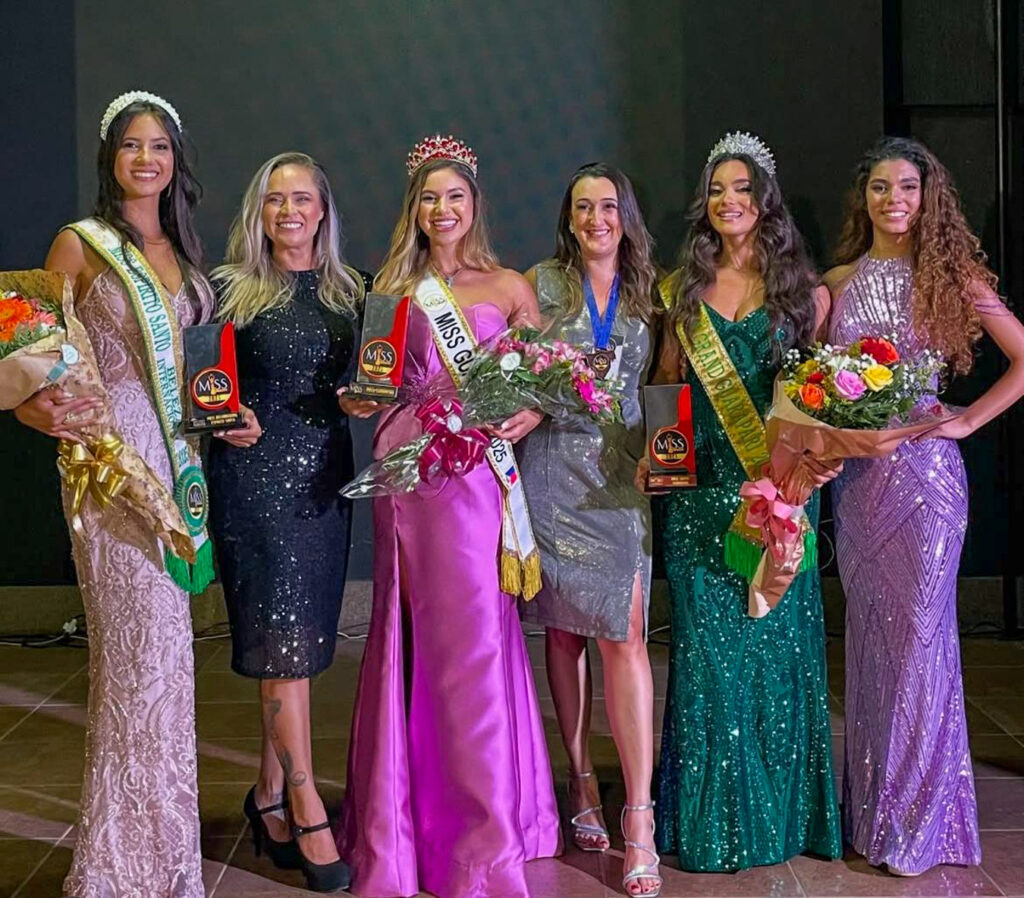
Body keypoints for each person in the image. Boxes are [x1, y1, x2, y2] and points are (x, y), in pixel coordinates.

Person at [12, 90, 248, 898]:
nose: (146, 159)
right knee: (134, 663)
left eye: (160, 146)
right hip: (113, 472)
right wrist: (39, 412)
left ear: (176, 160)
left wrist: (230, 417)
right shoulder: (79, 244)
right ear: (110, 157)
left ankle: (166, 857)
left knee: (169, 667)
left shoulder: (184, 250)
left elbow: (195, 373)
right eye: (131, 146)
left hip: (180, 469)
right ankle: (119, 869)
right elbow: (24, 351)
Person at [337, 134, 560, 898]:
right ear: (415, 208)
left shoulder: (509, 284)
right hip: (411, 474)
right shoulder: (392, 287)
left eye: (454, 196)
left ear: (474, 205)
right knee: (414, 639)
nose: (442, 209)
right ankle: (405, 832)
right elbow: (376, 381)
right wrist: (359, 399)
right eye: (429, 197)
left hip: (477, 479)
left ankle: (481, 837)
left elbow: (547, 378)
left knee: (473, 643)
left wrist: (530, 414)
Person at [824, 136, 1024, 876]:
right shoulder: (836, 282)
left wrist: (967, 421)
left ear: (927, 194)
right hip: (859, 483)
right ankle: (874, 818)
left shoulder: (951, 276)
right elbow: (808, 386)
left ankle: (921, 826)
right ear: (864, 197)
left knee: (918, 640)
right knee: (871, 642)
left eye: (907, 187)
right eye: (881, 187)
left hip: (929, 482)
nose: (894, 200)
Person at [643, 132, 842, 872]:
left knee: (776, 658)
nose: (729, 201)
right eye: (717, 190)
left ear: (766, 202)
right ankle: (715, 823)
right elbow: (667, 387)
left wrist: (815, 467)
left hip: (780, 494)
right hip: (702, 501)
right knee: (710, 664)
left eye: (743, 189)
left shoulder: (806, 294)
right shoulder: (680, 290)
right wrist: (661, 464)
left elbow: (822, 399)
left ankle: (783, 819)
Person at [207, 152, 368, 892]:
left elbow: (375, 376)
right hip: (253, 481)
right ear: (258, 211)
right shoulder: (228, 290)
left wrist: (364, 398)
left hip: (324, 484)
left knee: (302, 645)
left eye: (302, 198)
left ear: (323, 210)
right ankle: (306, 809)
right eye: (276, 199)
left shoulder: (352, 289)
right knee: (283, 648)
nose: (290, 211)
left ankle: (268, 793)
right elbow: (201, 384)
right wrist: (221, 416)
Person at [517, 162, 660, 896]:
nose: (595, 219)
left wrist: (663, 448)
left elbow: (661, 386)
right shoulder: (539, 284)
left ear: (625, 215)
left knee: (626, 636)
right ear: (567, 218)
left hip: (619, 478)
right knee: (565, 632)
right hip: (552, 473)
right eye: (582, 207)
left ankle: (639, 814)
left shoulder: (650, 292)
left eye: (607, 206)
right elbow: (512, 374)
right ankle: (578, 778)